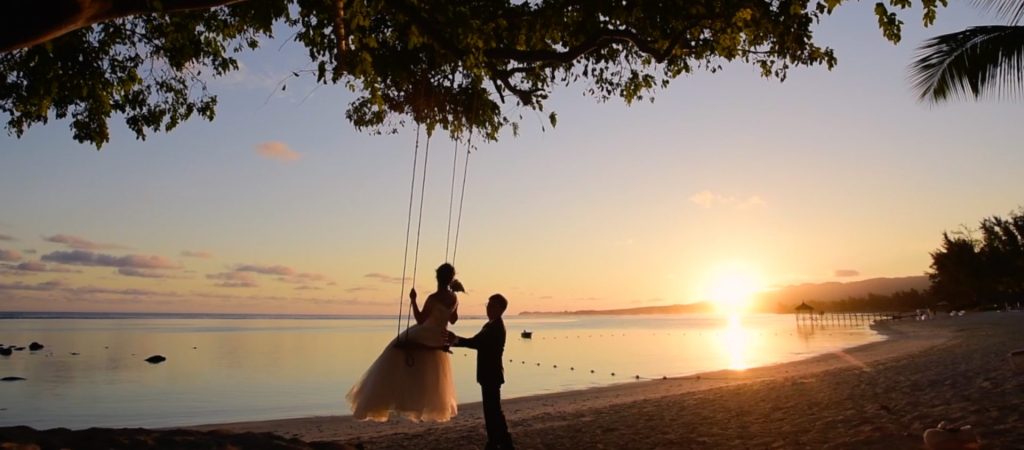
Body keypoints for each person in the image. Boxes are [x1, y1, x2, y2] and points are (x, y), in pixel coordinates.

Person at [345, 263, 461, 422]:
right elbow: (453, 320)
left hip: (426, 333)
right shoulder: (454, 298)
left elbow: (420, 320)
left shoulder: (433, 298)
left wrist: (413, 300)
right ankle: (415, 402)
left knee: (394, 350)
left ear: (437, 278)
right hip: (440, 336)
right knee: (428, 373)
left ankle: (386, 399)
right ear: (451, 279)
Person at [450, 294, 515, 450]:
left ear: (499, 309)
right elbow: (475, 341)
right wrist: (454, 342)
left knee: (493, 411)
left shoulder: (496, 327)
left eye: (491, 305)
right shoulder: (490, 325)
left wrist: (455, 340)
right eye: (488, 304)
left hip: (491, 375)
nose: (488, 307)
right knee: (492, 411)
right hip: (489, 375)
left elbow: (476, 342)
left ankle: (500, 442)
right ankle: (499, 441)